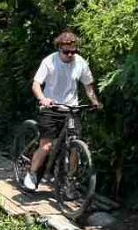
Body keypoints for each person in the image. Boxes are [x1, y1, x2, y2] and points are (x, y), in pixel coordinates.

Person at [22, 31, 101, 191]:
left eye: (73, 51)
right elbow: (36, 84)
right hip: (51, 108)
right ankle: (31, 173)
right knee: (47, 146)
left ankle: (70, 181)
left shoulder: (80, 63)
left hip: (71, 110)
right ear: (59, 49)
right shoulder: (49, 62)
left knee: (75, 147)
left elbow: (88, 86)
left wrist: (95, 102)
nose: (70, 54)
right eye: (66, 52)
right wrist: (42, 98)